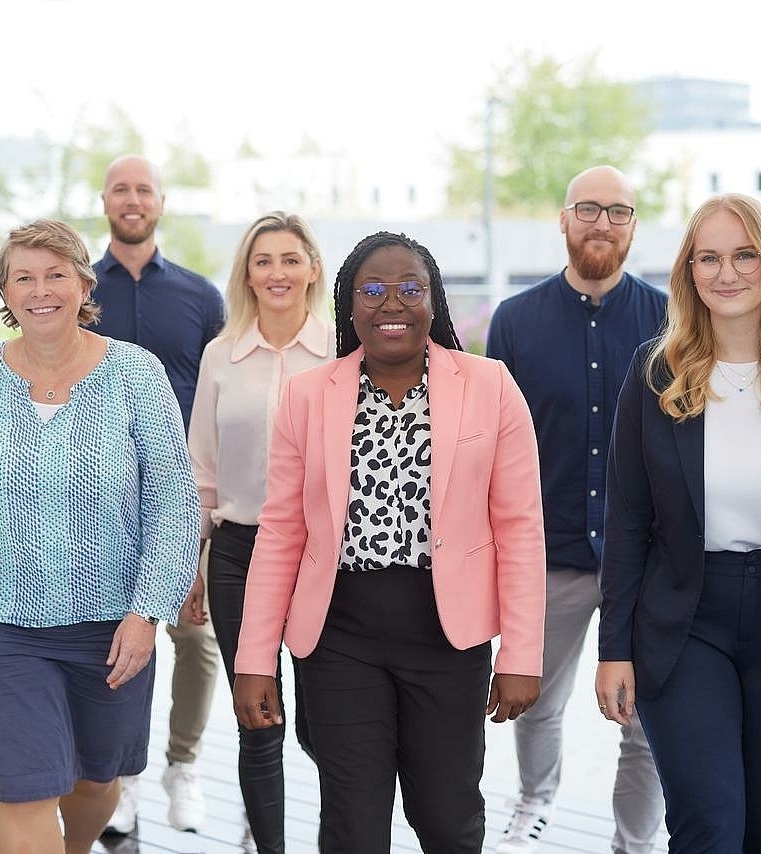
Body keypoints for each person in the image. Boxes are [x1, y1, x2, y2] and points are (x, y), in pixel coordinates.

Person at [233, 231, 547, 854]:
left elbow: (520, 528)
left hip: (448, 639)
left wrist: (522, 653)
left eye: (410, 288)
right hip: (338, 638)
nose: (391, 304)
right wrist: (252, 658)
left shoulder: (491, 385)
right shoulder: (307, 395)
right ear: (348, 306)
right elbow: (281, 533)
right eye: (371, 291)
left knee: (447, 816)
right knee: (353, 824)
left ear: (435, 303)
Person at [0, 219, 200, 854]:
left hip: (110, 626)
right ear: (5, 293)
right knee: (26, 789)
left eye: (56, 274)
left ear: (83, 283)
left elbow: (172, 508)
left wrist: (149, 611)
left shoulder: (136, 376)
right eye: (24, 278)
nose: (41, 290)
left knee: (96, 782)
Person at [485, 165, 666, 854]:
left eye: (617, 211)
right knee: (534, 701)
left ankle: (633, 841)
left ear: (632, 227)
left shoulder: (668, 319)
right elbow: (496, 450)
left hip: (645, 559)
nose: (601, 223)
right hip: (548, 552)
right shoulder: (515, 321)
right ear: (562, 220)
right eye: (587, 209)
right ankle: (533, 802)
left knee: (643, 721)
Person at [597, 192, 761, 852]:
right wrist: (612, 648)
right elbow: (628, 520)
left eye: (744, 254)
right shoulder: (654, 373)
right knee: (710, 821)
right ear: (687, 271)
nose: (727, 273)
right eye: (709, 257)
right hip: (683, 620)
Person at [188, 212, 333, 853]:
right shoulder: (221, 356)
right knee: (258, 719)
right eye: (263, 260)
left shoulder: (342, 351)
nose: (277, 272)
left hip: (326, 555)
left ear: (312, 270)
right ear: (246, 273)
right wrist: (192, 564)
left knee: (330, 720)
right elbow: (203, 471)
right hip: (239, 554)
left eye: (289, 259)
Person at [93, 154, 224, 836]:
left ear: (162, 202)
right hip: (98, 498)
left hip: (182, 495)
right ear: (105, 201)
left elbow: (218, 399)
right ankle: (123, 777)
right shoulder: (78, 290)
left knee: (194, 640)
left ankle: (183, 764)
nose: (133, 198)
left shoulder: (201, 298)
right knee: (115, 639)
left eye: (144, 189)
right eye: (121, 188)